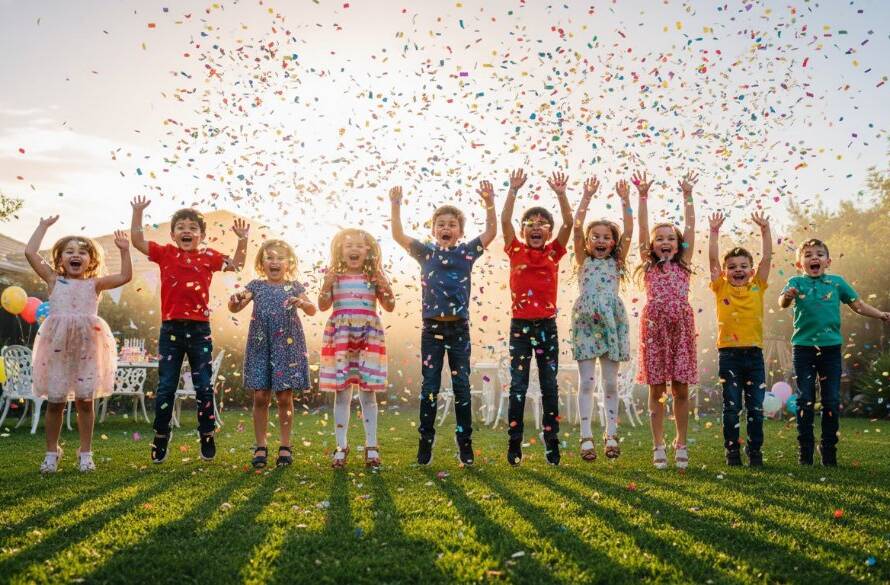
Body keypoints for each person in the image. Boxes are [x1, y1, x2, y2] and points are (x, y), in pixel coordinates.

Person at [130, 196, 249, 463]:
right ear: (173, 235)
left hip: (199, 330)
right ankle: (161, 435)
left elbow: (237, 265)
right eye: (181, 227)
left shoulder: (209, 257)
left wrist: (242, 240)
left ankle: (207, 433)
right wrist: (137, 213)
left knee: (204, 386)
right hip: (170, 329)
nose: (187, 231)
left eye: (192, 228)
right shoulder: (165, 253)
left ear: (201, 235)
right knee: (166, 387)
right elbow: (138, 242)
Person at [390, 182, 496, 466]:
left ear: (460, 231)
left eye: (451, 224)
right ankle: (425, 445)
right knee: (430, 388)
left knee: (461, 387)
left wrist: (489, 202)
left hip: (459, 329)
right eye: (440, 224)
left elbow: (491, 233)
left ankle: (465, 446)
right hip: (432, 330)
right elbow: (398, 235)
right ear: (434, 229)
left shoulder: (466, 253)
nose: (446, 228)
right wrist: (396, 204)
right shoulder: (426, 253)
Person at [25, 216, 132, 473]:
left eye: (82, 252)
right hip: (57, 348)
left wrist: (125, 250)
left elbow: (126, 276)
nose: (76, 255)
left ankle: (85, 452)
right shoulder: (53, 280)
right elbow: (29, 252)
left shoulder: (95, 284)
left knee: (85, 401)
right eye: (69, 252)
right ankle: (52, 452)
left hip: (87, 348)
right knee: (55, 402)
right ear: (60, 259)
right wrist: (42, 227)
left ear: (91, 260)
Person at [779, 238, 890, 466]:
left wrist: (880, 314)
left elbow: (858, 305)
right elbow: (782, 302)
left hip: (830, 351)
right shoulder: (795, 282)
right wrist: (787, 296)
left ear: (827, 261)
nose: (814, 258)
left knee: (830, 400)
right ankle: (805, 449)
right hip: (804, 349)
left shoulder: (837, 283)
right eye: (808, 255)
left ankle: (828, 450)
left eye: (819, 254)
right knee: (805, 400)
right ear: (800, 263)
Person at [501, 169, 573, 466]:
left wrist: (560, 193)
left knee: (549, 386)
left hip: (546, 326)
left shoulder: (553, 253)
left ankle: (551, 442)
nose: (536, 227)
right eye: (531, 223)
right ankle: (515, 443)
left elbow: (569, 222)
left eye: (543, 224)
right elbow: (504, 221)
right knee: (518, 386)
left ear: (549, 232)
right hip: (520, 326)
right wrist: (513, 191)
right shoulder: (515, 249)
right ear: (523, 231)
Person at [229, 239, 315, 468]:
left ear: (288, 263)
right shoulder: (256, 286)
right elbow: (237, 305)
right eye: (270, 258)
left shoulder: (295, 286)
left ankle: (285, 446)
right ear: (262, 262)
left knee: (285, 396)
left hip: (287, 345)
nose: (275, 262)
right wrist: (234, 301)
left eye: (280, 258)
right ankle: (261, 446)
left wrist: (302, 303)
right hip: (260, 344)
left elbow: (312, 308)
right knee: (260, 396)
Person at [634, 171, 699, 470]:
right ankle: (658, 445)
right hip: (654, 328)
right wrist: (642, 196)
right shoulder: (649, 267)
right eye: (659, 239)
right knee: (657, 389)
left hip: (681, 328)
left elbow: (690, 226)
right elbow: (642, 227)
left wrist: (688, 196)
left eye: (670, 238)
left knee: (681, 389)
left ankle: (681, 442)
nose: (664, 241)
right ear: (652, 245)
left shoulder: (683, 265)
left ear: (678, 244)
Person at [318, 228, 395, 469]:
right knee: (342, 393)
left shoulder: (374, 276)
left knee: (368, 392)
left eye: (359, 245)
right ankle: (341, 446)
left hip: (368, 336)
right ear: (340, 250)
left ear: (368, 250)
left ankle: (371, 446)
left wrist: (385, 287)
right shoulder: (334, 276)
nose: (353, 249)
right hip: (341, 336)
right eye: (348, 245)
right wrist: (325, 285)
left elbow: (390, 306)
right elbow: (322, 306)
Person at [571, 177, 633, 461]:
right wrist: (586, 196)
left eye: (606, 237)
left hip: (611, 323)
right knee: (586, 382)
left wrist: (625, 199)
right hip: (585, 323)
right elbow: (575, 227)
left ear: (613, 242)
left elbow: (630, 230)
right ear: (587, 241)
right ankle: (586, 437)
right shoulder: (583, 261)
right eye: (595, 236)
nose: (600, 240)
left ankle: (611, 434)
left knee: (609, 383)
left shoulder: (616, 263)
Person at [708, 211, 772, 467]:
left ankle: (755, 451)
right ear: (724, 272)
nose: (738, 270)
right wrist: (714, 232)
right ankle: (732, 451)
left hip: (754, 356)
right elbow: (712, 258)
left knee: (756, 408)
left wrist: (765, 231)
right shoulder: (720, 287)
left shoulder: (758, 285)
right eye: (732, 267)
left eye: (743, 266)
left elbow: (767, 257)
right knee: (732, 407)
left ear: (751, 270)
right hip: (729, 355)